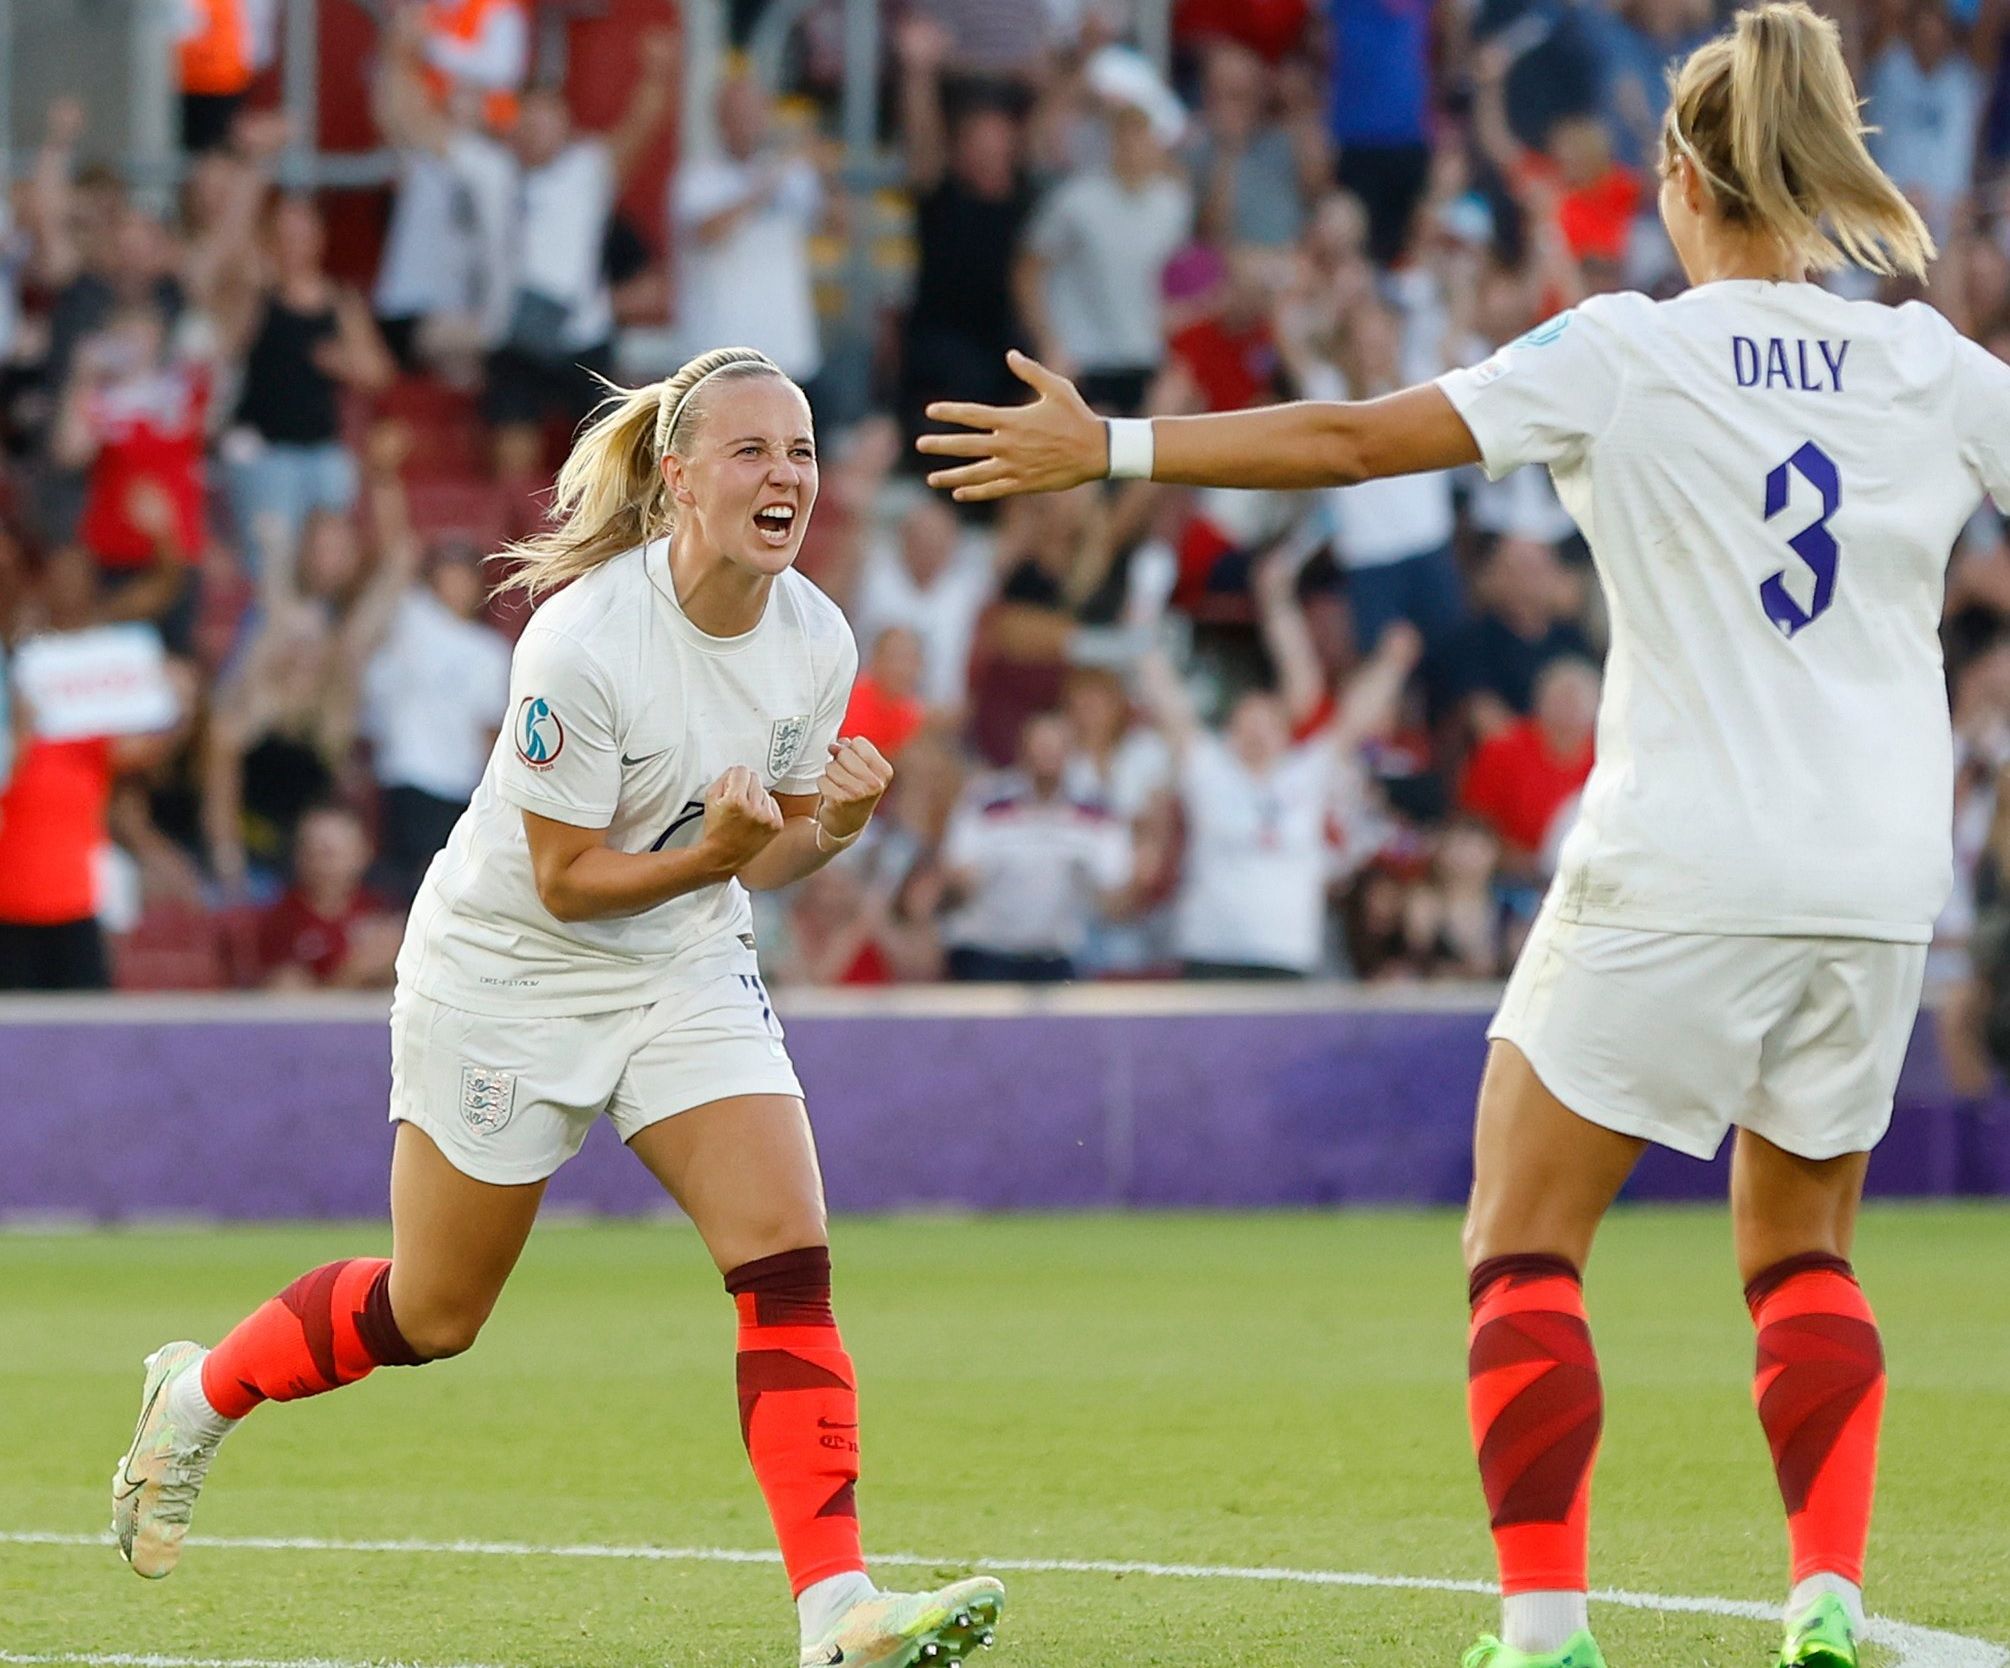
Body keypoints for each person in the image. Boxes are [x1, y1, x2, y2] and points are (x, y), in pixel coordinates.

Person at [918, 9, 2000, 1666]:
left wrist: (1111, 446)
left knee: (1521, 1234)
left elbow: (1356, 439)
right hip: (1871, 877)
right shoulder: (1933, 365)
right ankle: (1826, 1598)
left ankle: (1546, 1622)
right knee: (1801, 1251)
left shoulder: (1623, 348)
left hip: (1683, 854)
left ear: (1679, 182)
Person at [112, 347, 1005, 1668]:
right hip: (509, 975)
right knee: (434, 1314)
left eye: (802, 451)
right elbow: (565, 880)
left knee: (785, 1253)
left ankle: (835, 1609)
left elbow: (760, 855)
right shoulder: (584, 640)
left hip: (682, 959)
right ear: (677, 478)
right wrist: (718, 857)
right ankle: (192, 1399)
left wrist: (838, 827)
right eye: (753, 450)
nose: (787, 476)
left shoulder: (815, 637)